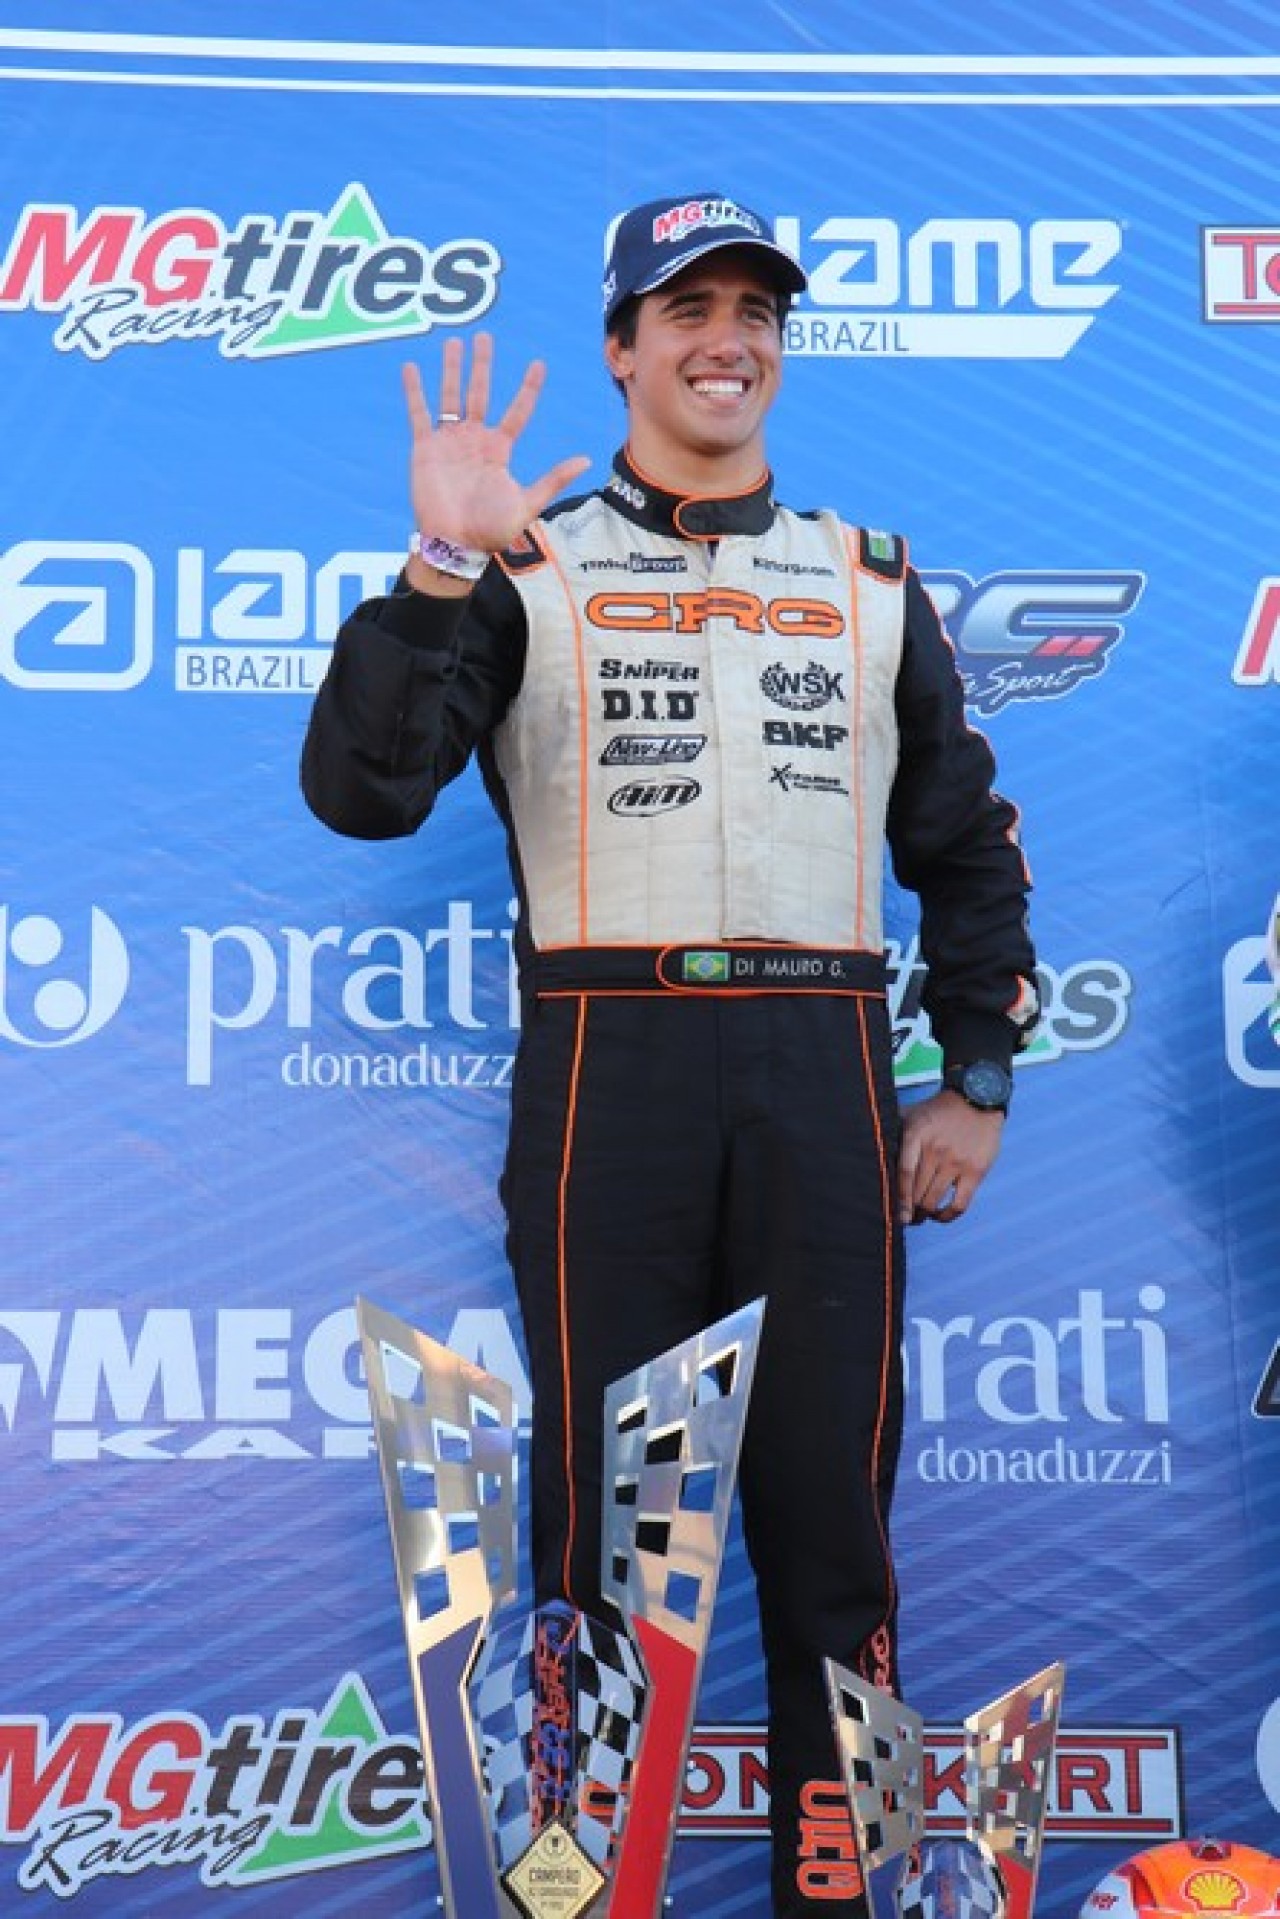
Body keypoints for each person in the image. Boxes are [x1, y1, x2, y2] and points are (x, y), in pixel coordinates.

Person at [301, 191, 1039, 1917]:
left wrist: (977, 1073)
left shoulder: (866, 578)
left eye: (754, 311)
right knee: (607, 1530)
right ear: (624, 348)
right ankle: (577, 1891)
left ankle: (842, 1893)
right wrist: (440, 567)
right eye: (687, 310)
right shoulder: (526, 565)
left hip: (822, 1060)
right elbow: (362, 794)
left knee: (834, 1532)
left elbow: (968, 849)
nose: (727, 341)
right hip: (607, 1064)